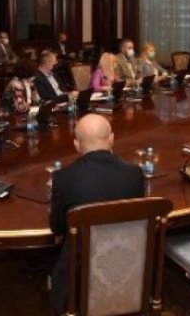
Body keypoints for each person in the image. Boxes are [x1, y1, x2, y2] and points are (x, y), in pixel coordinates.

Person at [49, 114, 145, 313]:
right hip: (128, 270)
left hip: (79, 280)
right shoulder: (135, 174)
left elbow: (57, 228)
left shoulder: (64, 178)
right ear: (112, 139)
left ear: (77, 145)